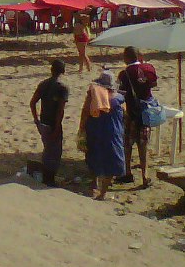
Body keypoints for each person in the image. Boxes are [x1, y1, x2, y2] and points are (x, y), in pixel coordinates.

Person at [79, 69, 126, 200]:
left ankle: (94, 185)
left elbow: (85, 112)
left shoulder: (93, 96)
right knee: (112, 160)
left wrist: (81, 128)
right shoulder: (118, 99)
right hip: (113, 131)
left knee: (94, 156)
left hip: (95, 129)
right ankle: (103, 193)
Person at [117, 46, 156, 188]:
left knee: (127, 144)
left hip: (132, 113)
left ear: (126, 57)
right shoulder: (149, 68)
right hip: (145, 113)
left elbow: (121, 94)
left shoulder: (124, 74)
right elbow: (153, 84)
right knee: (143, 145)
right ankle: (145, 176)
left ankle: (127, 172)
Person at [29, 58, 69, 186]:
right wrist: (57, 127)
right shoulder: (62, 87)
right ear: (63, 71)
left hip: (43, 122)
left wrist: (36, 120)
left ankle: (46, 176)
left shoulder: (43, 84)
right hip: (53, 123)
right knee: (55, 152)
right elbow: (60, 111)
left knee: (47, 149)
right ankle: (49, 179)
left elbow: (32, 103)